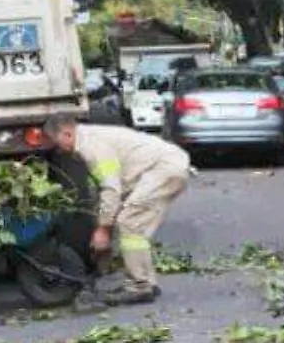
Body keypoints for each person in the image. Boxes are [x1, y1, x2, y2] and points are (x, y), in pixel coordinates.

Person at [45, 115, 190, 306]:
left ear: (67, 133)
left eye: (56, 142)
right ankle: (146, 282)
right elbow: (107, 191)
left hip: (163, 169)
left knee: (129, 222)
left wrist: (103, 229)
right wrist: (102, 222)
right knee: (134, 226)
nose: (56, 148)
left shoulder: (92, 147)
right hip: (164, 166)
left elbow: (111, 188)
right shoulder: (88, 139)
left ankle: (140, 286)